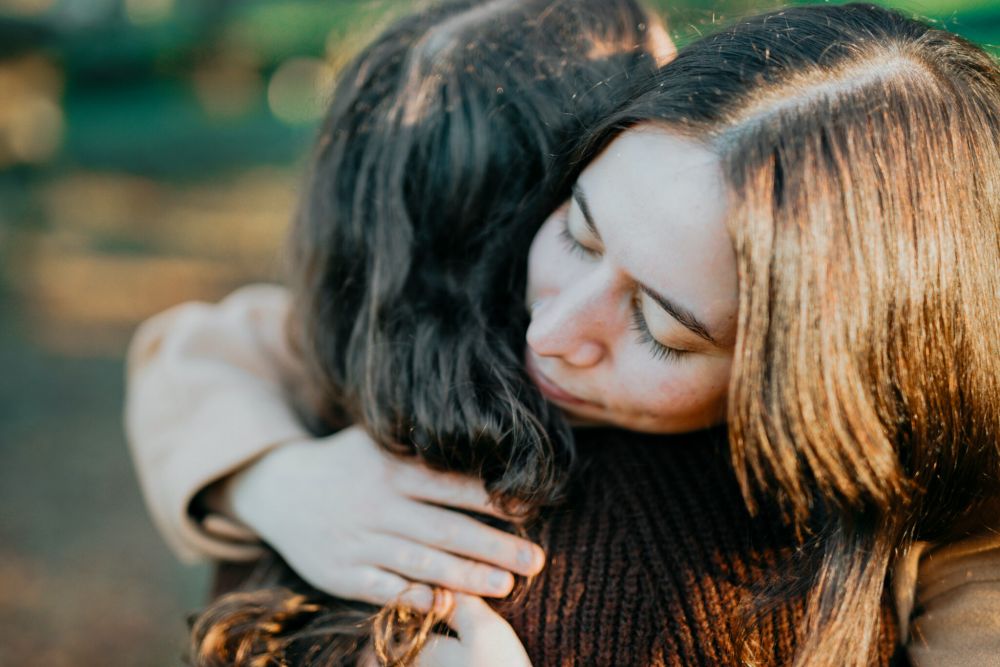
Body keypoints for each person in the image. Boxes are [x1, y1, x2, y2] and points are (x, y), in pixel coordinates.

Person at [126, 2, 1000, 665]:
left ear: (822, 383)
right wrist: (276, 480)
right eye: (577, 229)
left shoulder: (949, 561)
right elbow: (207, 343)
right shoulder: (442, 330)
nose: (547, 333)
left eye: (661, 327)